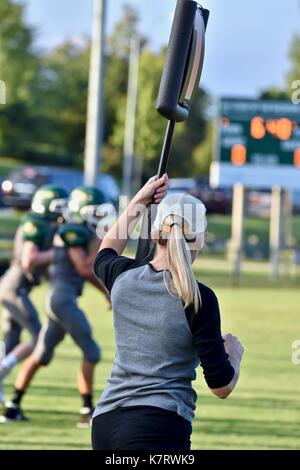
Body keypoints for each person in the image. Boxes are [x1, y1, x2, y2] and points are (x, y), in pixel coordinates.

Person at [91, 174, 244, 451]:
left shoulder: (122, 277)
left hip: (105, 423)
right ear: (199, 240)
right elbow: (221, 386)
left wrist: (140, 200)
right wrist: (235, 353)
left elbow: (106, 250)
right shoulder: (198, 298)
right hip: (158, 425)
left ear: (154, 233)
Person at [0, 186, 110, 428]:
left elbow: (82, 273)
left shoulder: (77, 230)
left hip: (60, 298)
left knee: (42, 353)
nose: (99, 218)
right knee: (92, 351)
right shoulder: (71, 231)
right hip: (61, 300)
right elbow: (84, 268)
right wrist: (106, 244)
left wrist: (107, 293)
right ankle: (87, 412)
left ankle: (13, 406)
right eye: (95, 212)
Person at [0, 185, 68, 404]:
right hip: (14, 288)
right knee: (38, 338)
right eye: (59, 206)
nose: (63, 211)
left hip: (15, 287)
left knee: (11, 342)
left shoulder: (41, 223)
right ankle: (2, 370)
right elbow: (30, 259)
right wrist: (58, 252)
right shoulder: (36, 223)